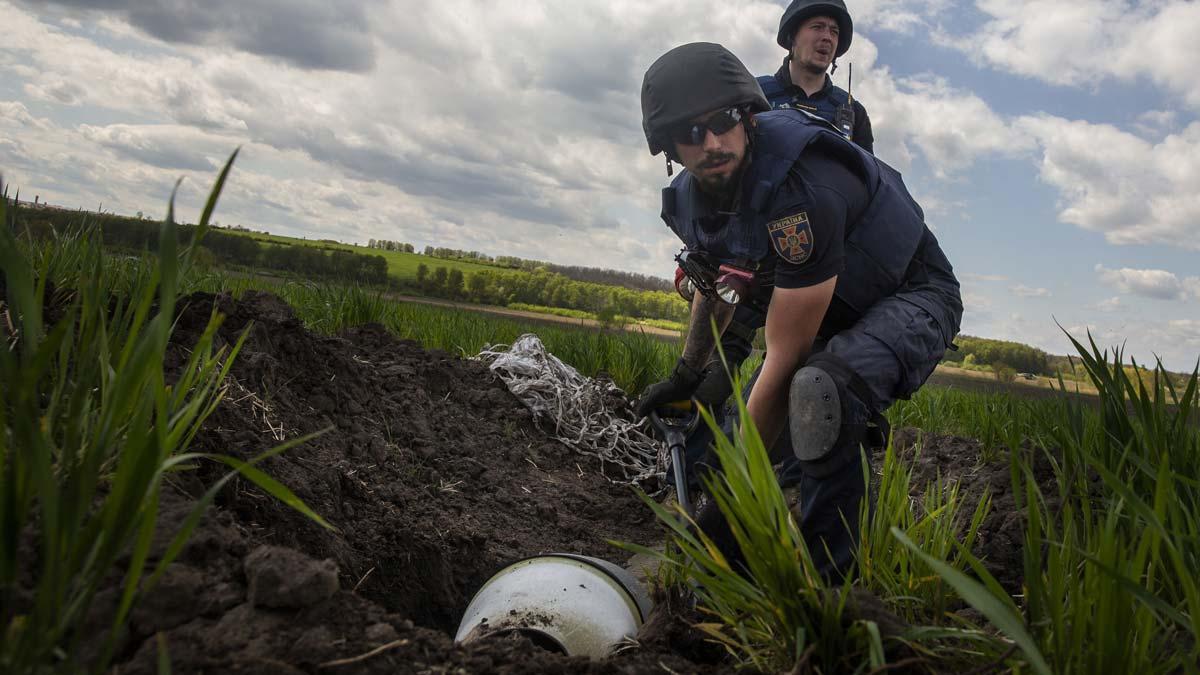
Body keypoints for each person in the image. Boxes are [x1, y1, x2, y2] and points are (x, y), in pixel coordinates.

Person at [637, 42, 961, 580]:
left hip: (911, 294)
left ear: (748, 117)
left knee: (822, 391)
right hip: (827, 308)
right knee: (725, 456)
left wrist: (738, 495)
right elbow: (714, 284)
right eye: (692, 133)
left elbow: (785, 357)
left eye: (722, 122)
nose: (712, 143)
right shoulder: (696, 196)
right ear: (668, 146)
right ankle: (743, 557)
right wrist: (688, 376)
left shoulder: (800, 188)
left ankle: (828, 590)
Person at [758, 0, 873, 153]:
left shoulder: (854, 112)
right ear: (793, 36)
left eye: (834, 31)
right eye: (817, 27)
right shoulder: (754, 93)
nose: (827, 37)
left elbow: (867, 174)